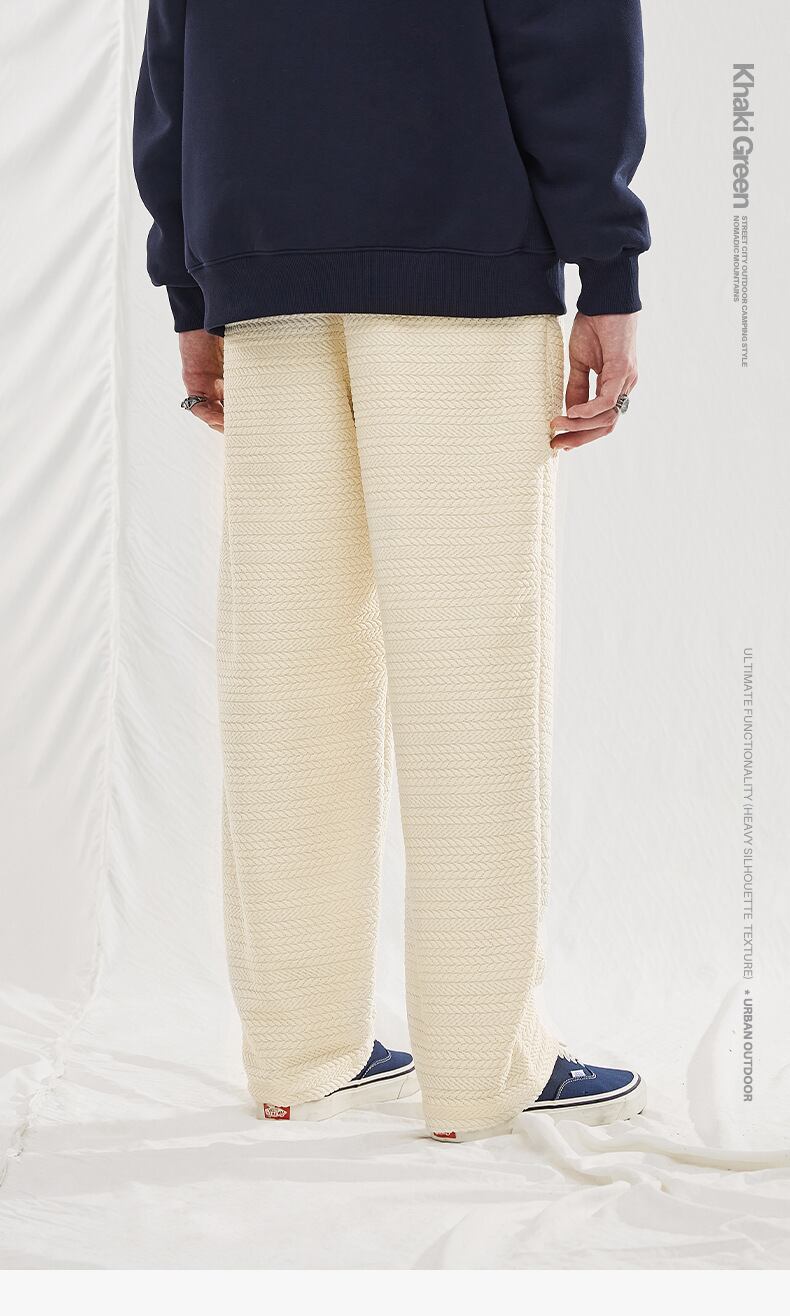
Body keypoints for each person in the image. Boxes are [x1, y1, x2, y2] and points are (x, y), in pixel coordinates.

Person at [133, 0, 651, 1143]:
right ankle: (478, 1068)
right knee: (468, 662)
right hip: (456, 233)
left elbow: (174, 43)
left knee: (288, 666)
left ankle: (300, 1048)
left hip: (259, 247)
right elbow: (564, 22)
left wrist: (191, 280)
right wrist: (607, 264)